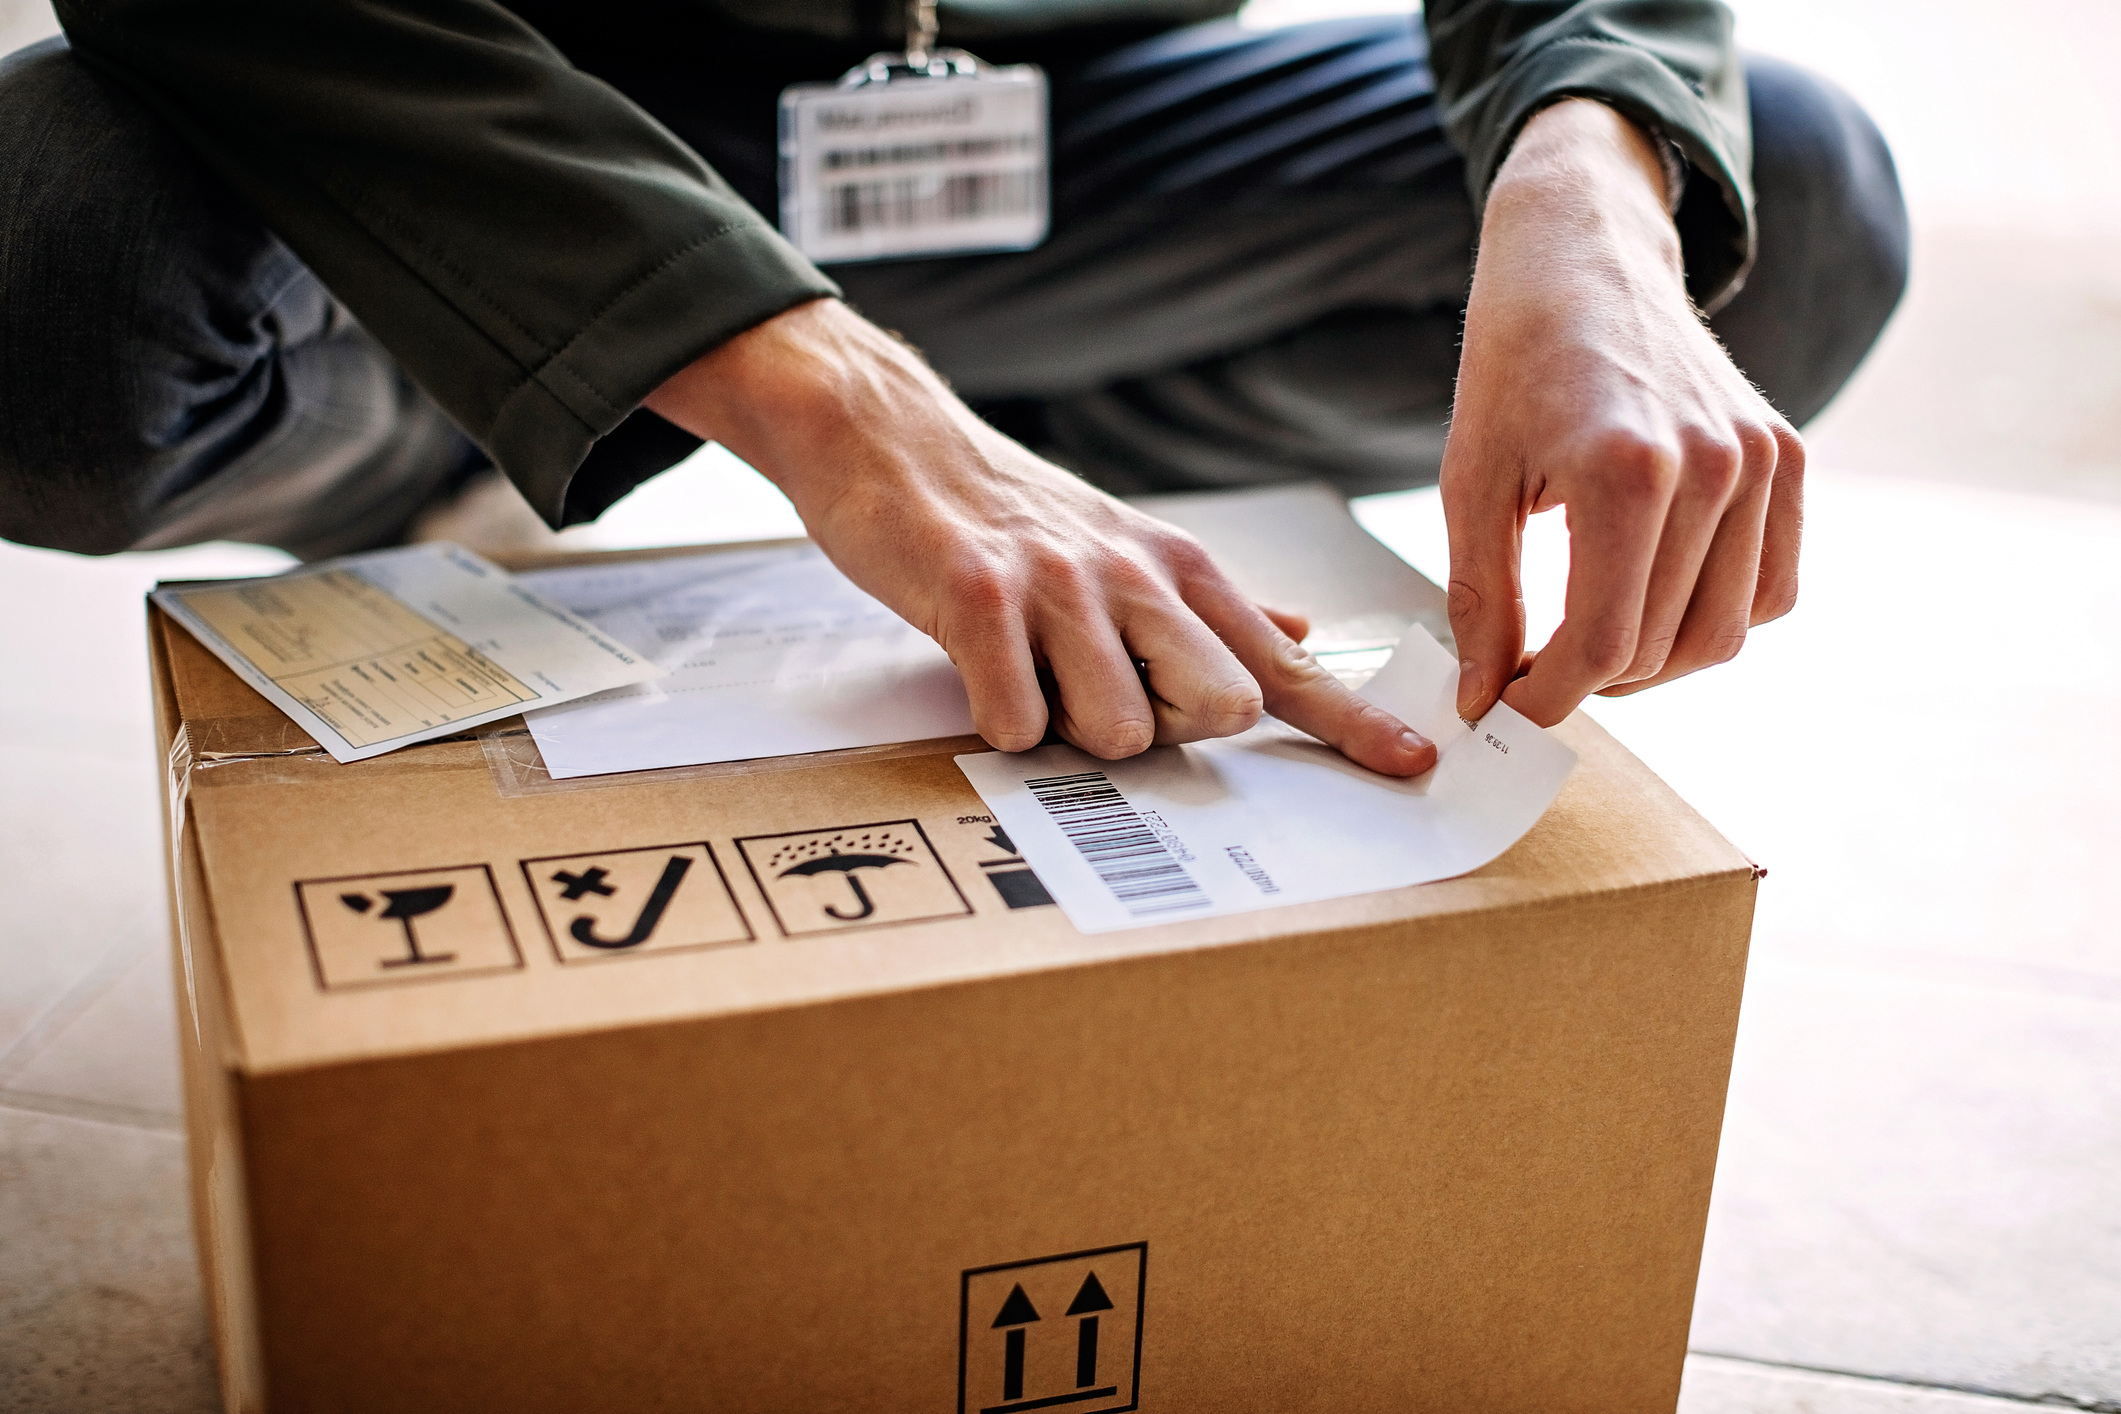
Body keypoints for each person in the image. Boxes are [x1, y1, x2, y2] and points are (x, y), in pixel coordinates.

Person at [0, 1, 1905, 775]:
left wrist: (1587, 178)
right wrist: (837, 407)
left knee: (1779, 193)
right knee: (46, 275)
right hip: (512, 143)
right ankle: (582, 412)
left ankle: (1049, 485)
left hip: (1063, 155)